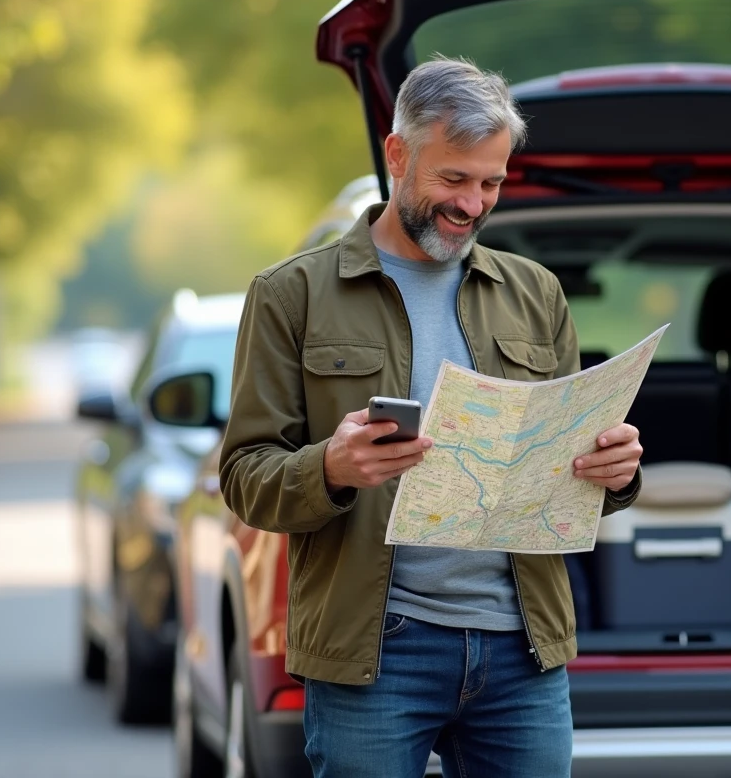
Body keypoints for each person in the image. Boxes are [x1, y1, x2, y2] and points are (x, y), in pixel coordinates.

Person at [218, 55, 643, 778]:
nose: (473, 205)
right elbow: (243, 479)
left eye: (492, 184)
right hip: (374, 651)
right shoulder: (293, 294)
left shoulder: (534, 292)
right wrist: (331, 467)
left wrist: (615, 473)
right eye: (454, 179)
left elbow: (570, 471)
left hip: (522, 648)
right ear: (397, 154)